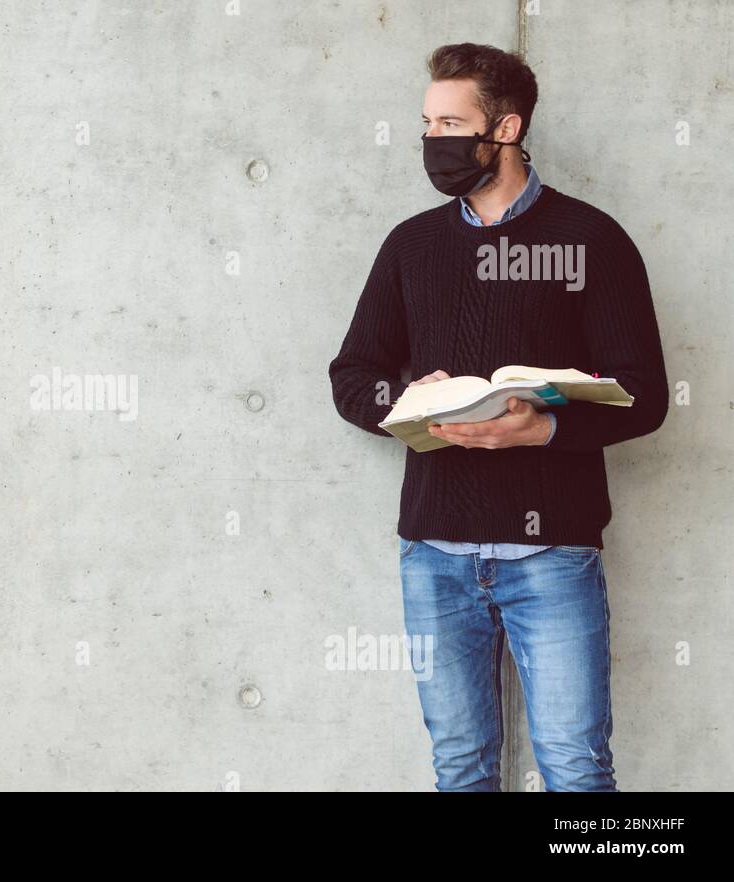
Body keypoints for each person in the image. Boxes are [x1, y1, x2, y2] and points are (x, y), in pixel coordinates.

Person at [328, 44, 669, 791]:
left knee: (576, 770)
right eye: (425, 123)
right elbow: (352, 377)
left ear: (507, 128)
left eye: (451, 123)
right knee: (460, 769)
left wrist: (543, 426)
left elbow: (645, 393)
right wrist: (412, 401)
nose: (432, 142)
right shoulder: (410, 246)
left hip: (553, 556)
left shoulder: (593, 239)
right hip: (434, 556)